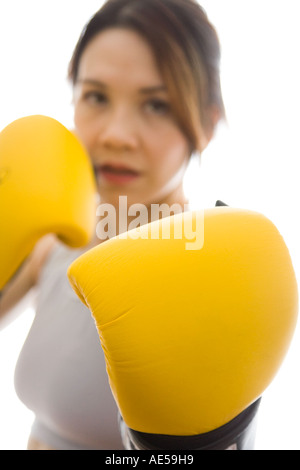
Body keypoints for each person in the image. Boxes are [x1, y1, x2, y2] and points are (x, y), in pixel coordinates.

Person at [0, 0, 225, 450]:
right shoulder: (51, 242)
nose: (116, 135)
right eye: (96, 96)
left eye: (156, 105)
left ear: (207, 120)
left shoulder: (210, 275)